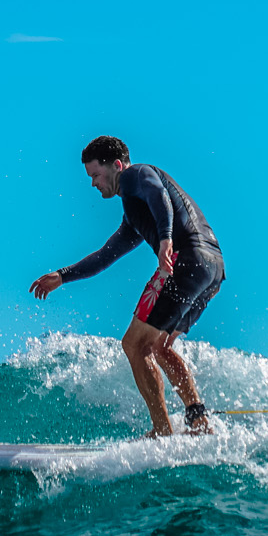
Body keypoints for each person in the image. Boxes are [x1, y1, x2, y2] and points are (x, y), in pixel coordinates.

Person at [30, 136, 225, 436]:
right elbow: (106, 255)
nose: (93, 184)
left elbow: (159, 194)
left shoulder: (136, 174)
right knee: (158, 346)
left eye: (96, 174)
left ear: (117, 166)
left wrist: (165, 241)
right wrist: (63, 275)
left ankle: (162, 431)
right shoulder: (134, 214)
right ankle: (199, 421)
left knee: (134, 344)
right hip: (212, 267)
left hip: (187, 258)